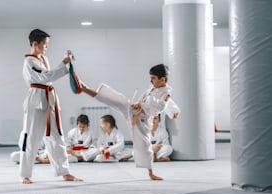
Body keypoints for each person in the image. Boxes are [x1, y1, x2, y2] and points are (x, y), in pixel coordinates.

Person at [80, 64, 178, 180]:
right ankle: (86, 89)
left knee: (145, 146)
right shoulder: (155, 87)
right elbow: (154, 100)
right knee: (118, 100)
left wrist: (172, 111)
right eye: (150, 78)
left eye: (153, 78)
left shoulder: (166, 93)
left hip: (143, 121)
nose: (150, 81)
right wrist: (174, 111)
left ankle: (151, 173)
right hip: (135, 111)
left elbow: (161, 106)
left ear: (162, 80)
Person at [18, 28, 82, 184]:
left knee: (57, 136)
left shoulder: (43, 59)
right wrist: (63, 63)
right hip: (36, 100)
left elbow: (50, 75)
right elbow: (46, 77)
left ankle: (64, 172)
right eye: (45, 44)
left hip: (50, 99)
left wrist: (66, 65)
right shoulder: (29, 61)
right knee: (31, 136)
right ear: (35, 43)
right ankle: (24, 174)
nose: (47, 47)